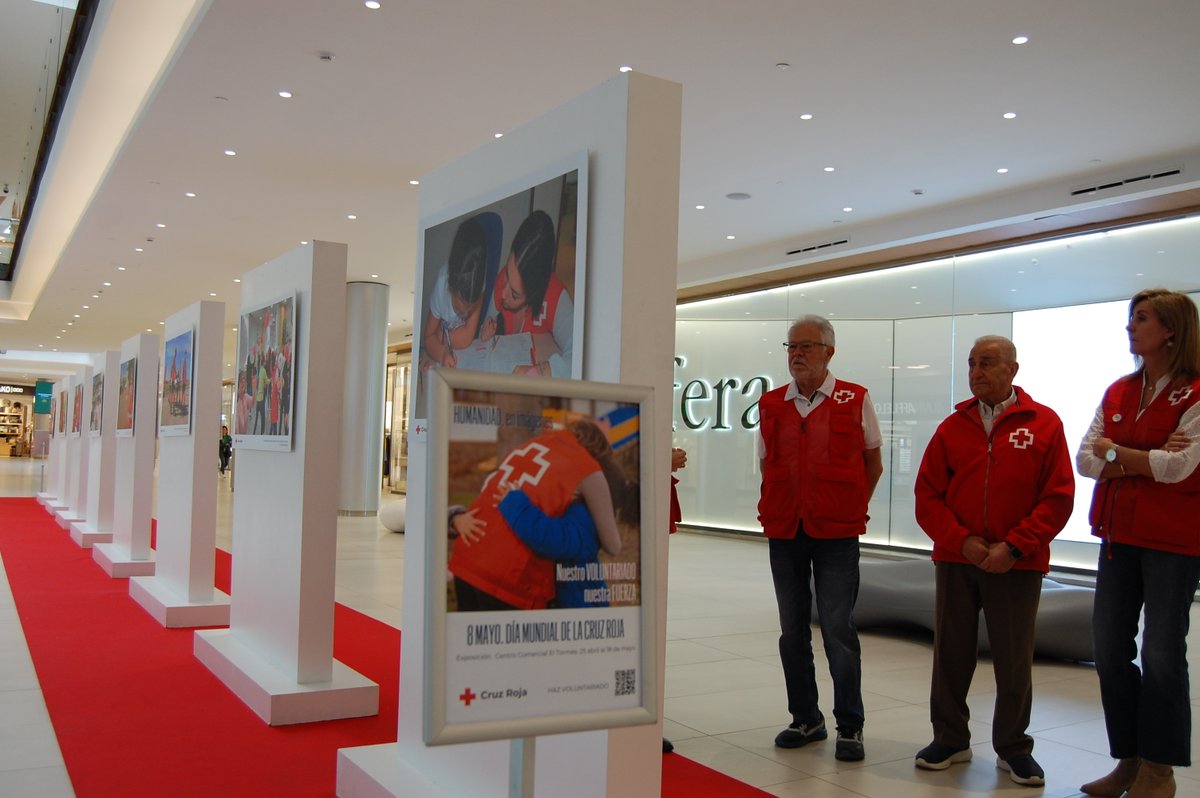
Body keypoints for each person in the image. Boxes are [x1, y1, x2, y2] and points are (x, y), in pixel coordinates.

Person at [913, 335, 1075, 787]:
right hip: (957, 560)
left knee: (1013, 657)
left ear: (1012, 370)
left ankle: (1013, 747)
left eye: (987, 363)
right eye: (971, 364)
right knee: (951, 651)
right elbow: (927, 495)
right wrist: (961, 541)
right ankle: (949, 738)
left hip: (1017, 564)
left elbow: (1058, 497)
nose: (976, 372)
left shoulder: (1044, 424)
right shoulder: (952, 427)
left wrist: (1015, 546)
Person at [1076, 288, 1200, 798]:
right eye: (1131, 318)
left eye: (1142, 318)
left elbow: (1180, 468)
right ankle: (1126, 759)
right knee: (1108, 649)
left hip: (1173, 542)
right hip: (1118, 539)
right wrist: (1141, 455)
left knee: (1163, 653)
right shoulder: (1120, 390)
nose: (1131, 327)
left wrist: (1118, 453)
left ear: (1170, 329)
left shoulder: (1195, 392)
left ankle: (1159, 769)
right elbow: (1086, 460)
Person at [758, 315, 883, 762]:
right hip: (785, 531)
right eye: (791, 346)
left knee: (837, 630)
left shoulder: (855, 398)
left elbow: (873, 463)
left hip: (836, 534)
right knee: (792, 632)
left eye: (807, 346)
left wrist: (851, 509)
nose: (797, 354)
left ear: (830, 351)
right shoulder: (771, 403)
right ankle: (806, 718)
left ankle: (850, 725)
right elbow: (766, 465)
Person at [448, 419, 631, 611]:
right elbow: (612, 545)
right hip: (506, 577)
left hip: (467, 557)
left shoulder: (533, 445)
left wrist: (454, 518)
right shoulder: (586, 468)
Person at [479, 210, 573, 377]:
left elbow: (580, 355)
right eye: (507, 274)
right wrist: (486, 328)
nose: (502, 294)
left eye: (514, 294)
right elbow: (485, 331)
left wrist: (539, 371)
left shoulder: (556, 297)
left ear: (535, 293)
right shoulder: (502, 281)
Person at [422, 215, 489, 369]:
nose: (465, 315)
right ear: (450, 287)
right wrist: (441, 353)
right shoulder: (442, 283)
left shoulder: (478, 283)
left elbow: (467, 337)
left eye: (469, 310)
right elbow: (428, 338)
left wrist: (441, 337)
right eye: (459, 309)